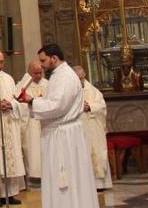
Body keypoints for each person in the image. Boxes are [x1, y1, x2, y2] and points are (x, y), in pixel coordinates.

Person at [17, 45, 98, 208]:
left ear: (54, 58)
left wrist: (31, 101)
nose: (41, 65)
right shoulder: (58, 75)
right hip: (59, 133)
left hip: (64, 136)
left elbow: (57, 106)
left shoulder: (65, 77)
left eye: (43, 60)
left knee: (67, 179)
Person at [0, 49, 26, 204]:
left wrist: (11, 105)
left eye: (2, 61)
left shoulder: (8, 79)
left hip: (9, 121)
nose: (0, 65)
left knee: (11, 159)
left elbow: (17, 99)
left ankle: (10, 194)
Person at [73, 66, 111, 190]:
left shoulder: (94, 91)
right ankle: (85, 185)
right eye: (78, 78)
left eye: (82, 77)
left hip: (94, 128)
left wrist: (89, 106)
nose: (81, 80)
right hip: (80, 129)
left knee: (98, 154)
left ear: (85, 75)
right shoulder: (71, 91)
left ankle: (100, 184)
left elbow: (102, 106)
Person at [16, 60, 48, 181]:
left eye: (40, 73)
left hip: (45, 123)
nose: (39, 76)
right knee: (33, 151)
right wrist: (32, 104)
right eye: (35, 73)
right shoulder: (23, 85)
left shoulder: (48, 84)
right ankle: (34, 177)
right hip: (31, 123)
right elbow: (17, 103)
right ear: (29, 72)